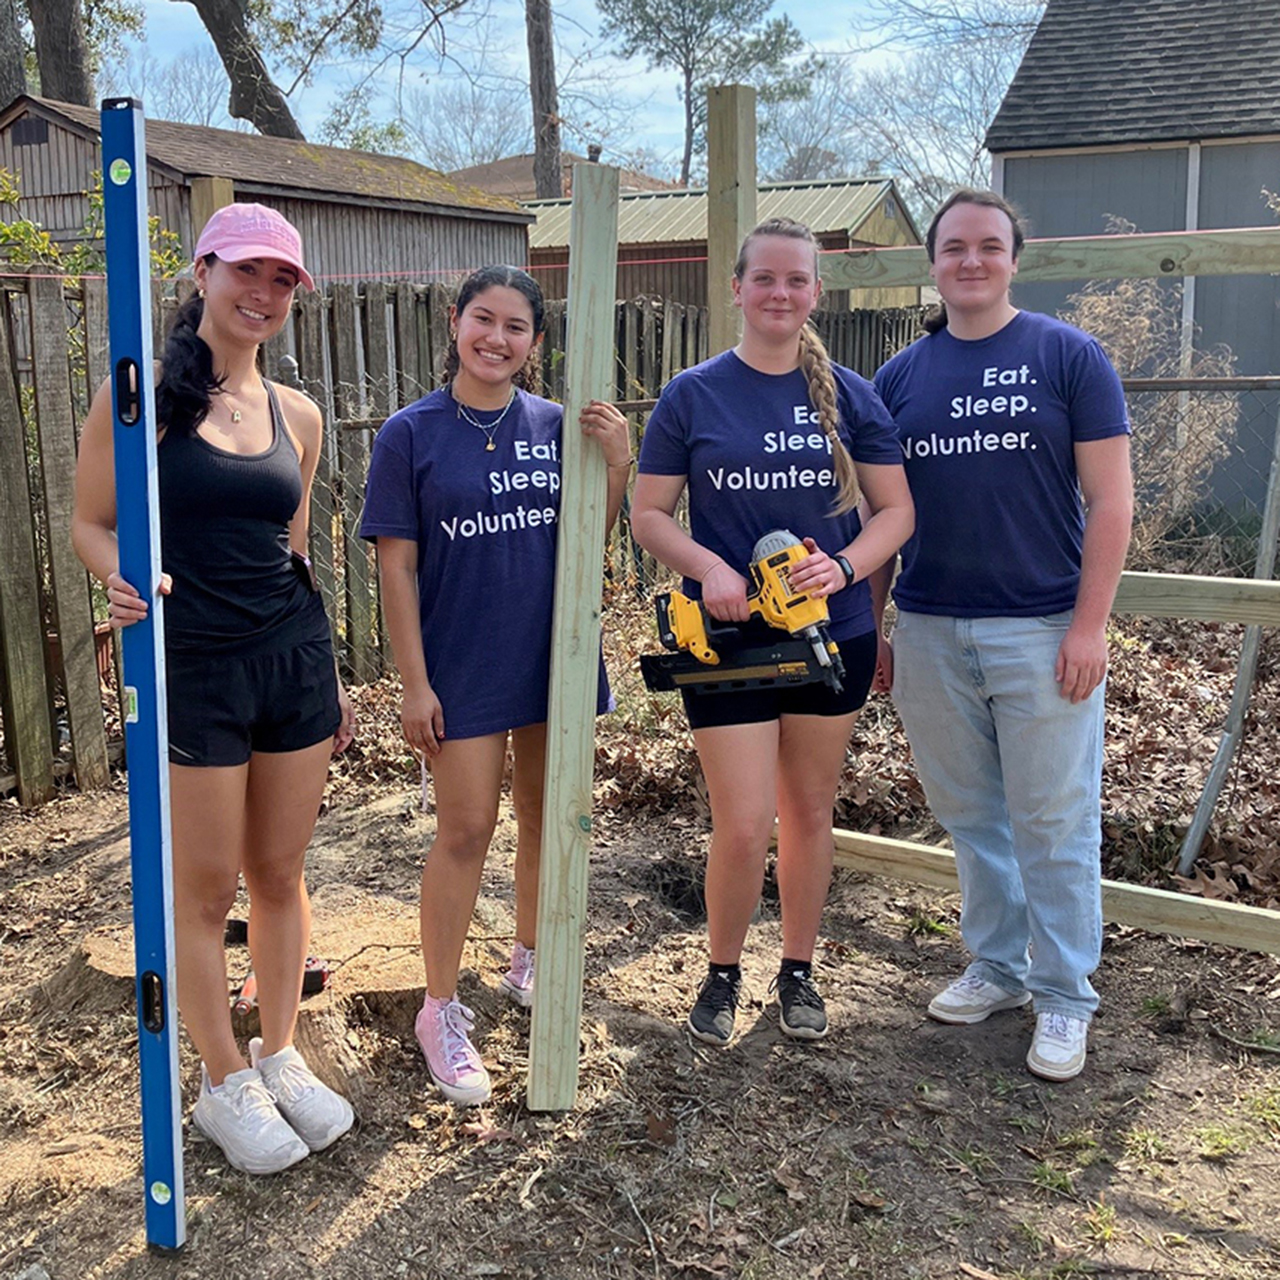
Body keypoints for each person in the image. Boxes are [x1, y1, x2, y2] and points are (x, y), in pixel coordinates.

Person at [72, 203, 356, 1174]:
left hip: (293, 662)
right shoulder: (138, 398)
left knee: (280, 873)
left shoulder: (299, 416)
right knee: (202, 889)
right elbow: (92, 520)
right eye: (249, 272)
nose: (265, 294)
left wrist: (334, 677)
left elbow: (296, 550)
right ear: (203, 273)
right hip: (190, 665)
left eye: (284, 281)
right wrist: (116, 573)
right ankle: (221, 1079)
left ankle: (278, 1049)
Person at [631, 217, 914, 1047]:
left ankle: (798, 971)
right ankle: (721, 974)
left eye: (797, 281)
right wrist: (711, 567)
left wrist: (848, 566)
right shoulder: (694, 393)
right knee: (745, 821)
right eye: (765, 279)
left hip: (837, 637)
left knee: (808, 813)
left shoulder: (853, 396)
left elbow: (897, 510)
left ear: (815, 293)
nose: (781, 294)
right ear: (738, 288)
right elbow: (648, 514)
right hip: (729, 644)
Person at [871, 189, 1133, 1082]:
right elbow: (879, 515)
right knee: (972, 815)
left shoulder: (1069, 356)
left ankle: (1065, 997)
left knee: (1053, 820)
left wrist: (1092, 624)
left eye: (989, 246)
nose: (971, 261)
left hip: (1045, 626)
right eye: (954, 248)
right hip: (933, 628)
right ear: (933, 263)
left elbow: (1112, 500)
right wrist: (874, 628)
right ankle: (999, 968)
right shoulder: (901, 378)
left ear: (1015, 257)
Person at [360, 265, 631, 1106]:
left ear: (536, 343)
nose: (497, 338)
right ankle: (438, 1008)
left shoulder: (559, 425)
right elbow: (395, 568)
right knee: (467, 829)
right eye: (484, 319)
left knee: (549, 820)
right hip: (462, 660)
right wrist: (413, 682)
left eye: (517, 327)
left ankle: (530, 959)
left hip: (552, 655)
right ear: (455, 322)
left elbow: (594, 529)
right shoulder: (410, 434)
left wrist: (618, 462)